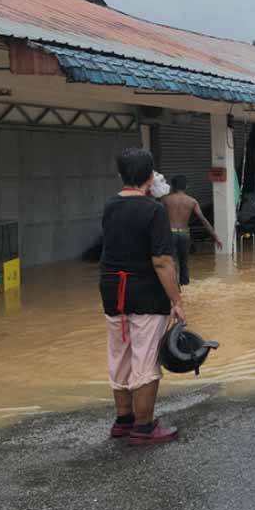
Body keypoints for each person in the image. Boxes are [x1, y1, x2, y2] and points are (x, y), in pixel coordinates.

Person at [99, 148, 185, 445]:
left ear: (121, 175)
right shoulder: (154, 211)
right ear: (150, 176)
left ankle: (123, 420)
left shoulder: (110, 205)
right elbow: (162, 261)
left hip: (112, 291)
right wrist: (176, 300)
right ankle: (144, 427)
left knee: (119, 355)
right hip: (146, 293)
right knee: (146, 359)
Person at [161, 175, 222, 286]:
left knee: (172, 262)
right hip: (185, 234)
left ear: (172, 186)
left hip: (170, 233)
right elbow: (203, 220)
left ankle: (175, 288)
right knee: (184, 263)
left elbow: (157, 217)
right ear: (186, 186)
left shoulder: (165, 199)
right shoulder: (192, 201)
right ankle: (186, 286)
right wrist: (215, 236)